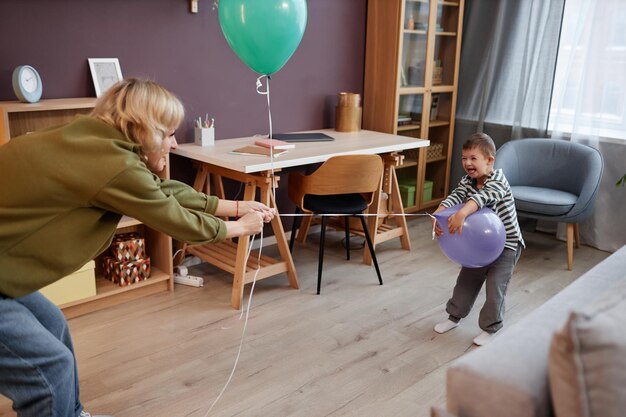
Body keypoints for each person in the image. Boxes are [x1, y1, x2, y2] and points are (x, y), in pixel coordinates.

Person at [0, 78, 276, 417]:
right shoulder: (114, 165)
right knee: (50, 370)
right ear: (144, 129)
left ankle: (71, 413)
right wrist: (238, 228)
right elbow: (173, 217)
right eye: (169, 133)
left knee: (52, 326)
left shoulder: (90, 138)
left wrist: (235, 208)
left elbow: (161, 190)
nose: (174, 144)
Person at [432, 133, 524, 346]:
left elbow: (481, 198)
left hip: (507, 246)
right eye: (464, 158)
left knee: (495, 288)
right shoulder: (468, 181)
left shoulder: (498, 181)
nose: (467, 163)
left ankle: (491, 328)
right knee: (465, 282)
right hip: (477, 247)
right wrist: (439, 213)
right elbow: (455, 196)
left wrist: (462, 214)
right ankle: (454, 317)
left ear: (489, 160)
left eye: (473, 158)